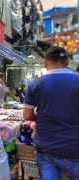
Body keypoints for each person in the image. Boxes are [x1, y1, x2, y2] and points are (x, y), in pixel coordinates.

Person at [23, 46, 79, 180]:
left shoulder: (35, 84)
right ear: (66, 62)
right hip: (74, 147)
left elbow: (27, 116)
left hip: (46, 147)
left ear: (45, 63)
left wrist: (44, 115)